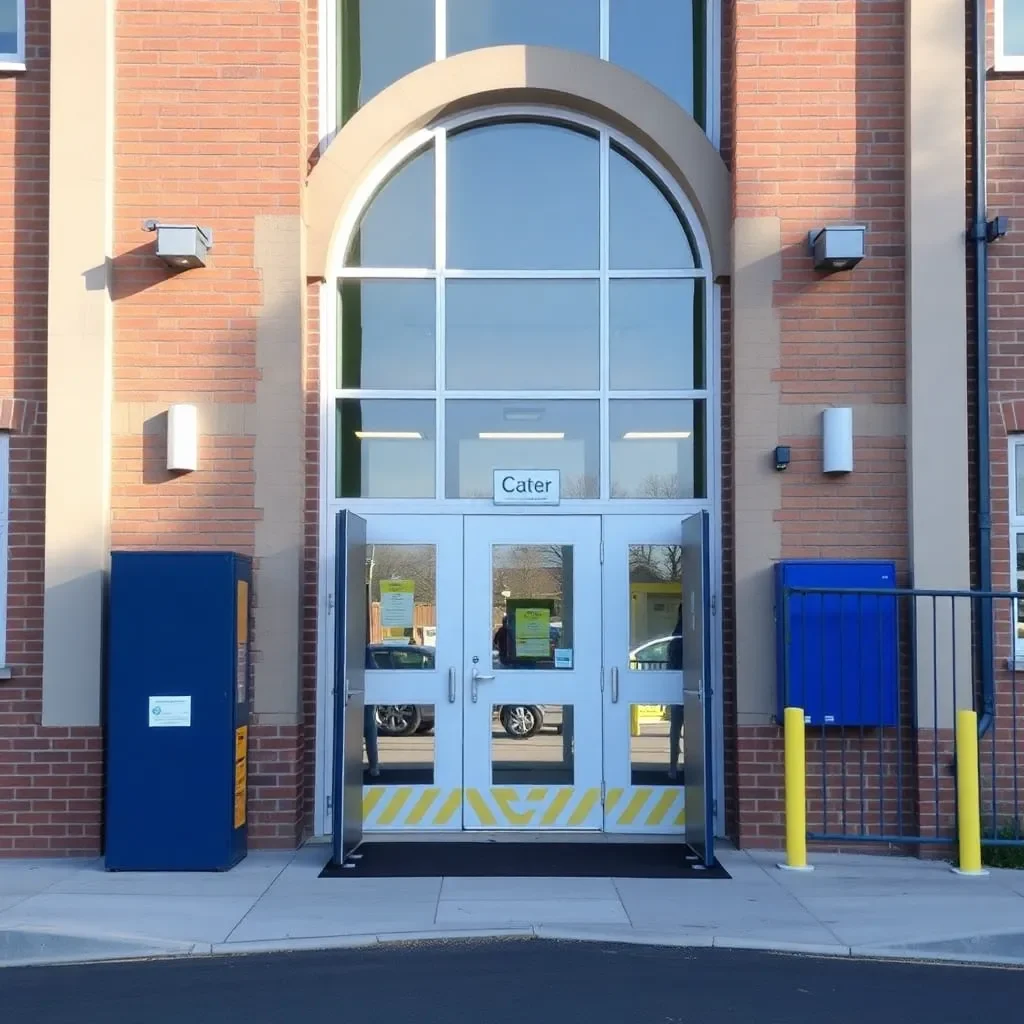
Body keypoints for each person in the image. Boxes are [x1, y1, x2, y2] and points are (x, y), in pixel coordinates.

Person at [667, 604, 684, 781]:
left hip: (676, 687)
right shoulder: (689, 634)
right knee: (685, 730)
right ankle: (675, 765)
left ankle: (673, 766)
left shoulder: (676, 634)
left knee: (675, 730)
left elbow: (671, 660)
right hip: (685, 687)